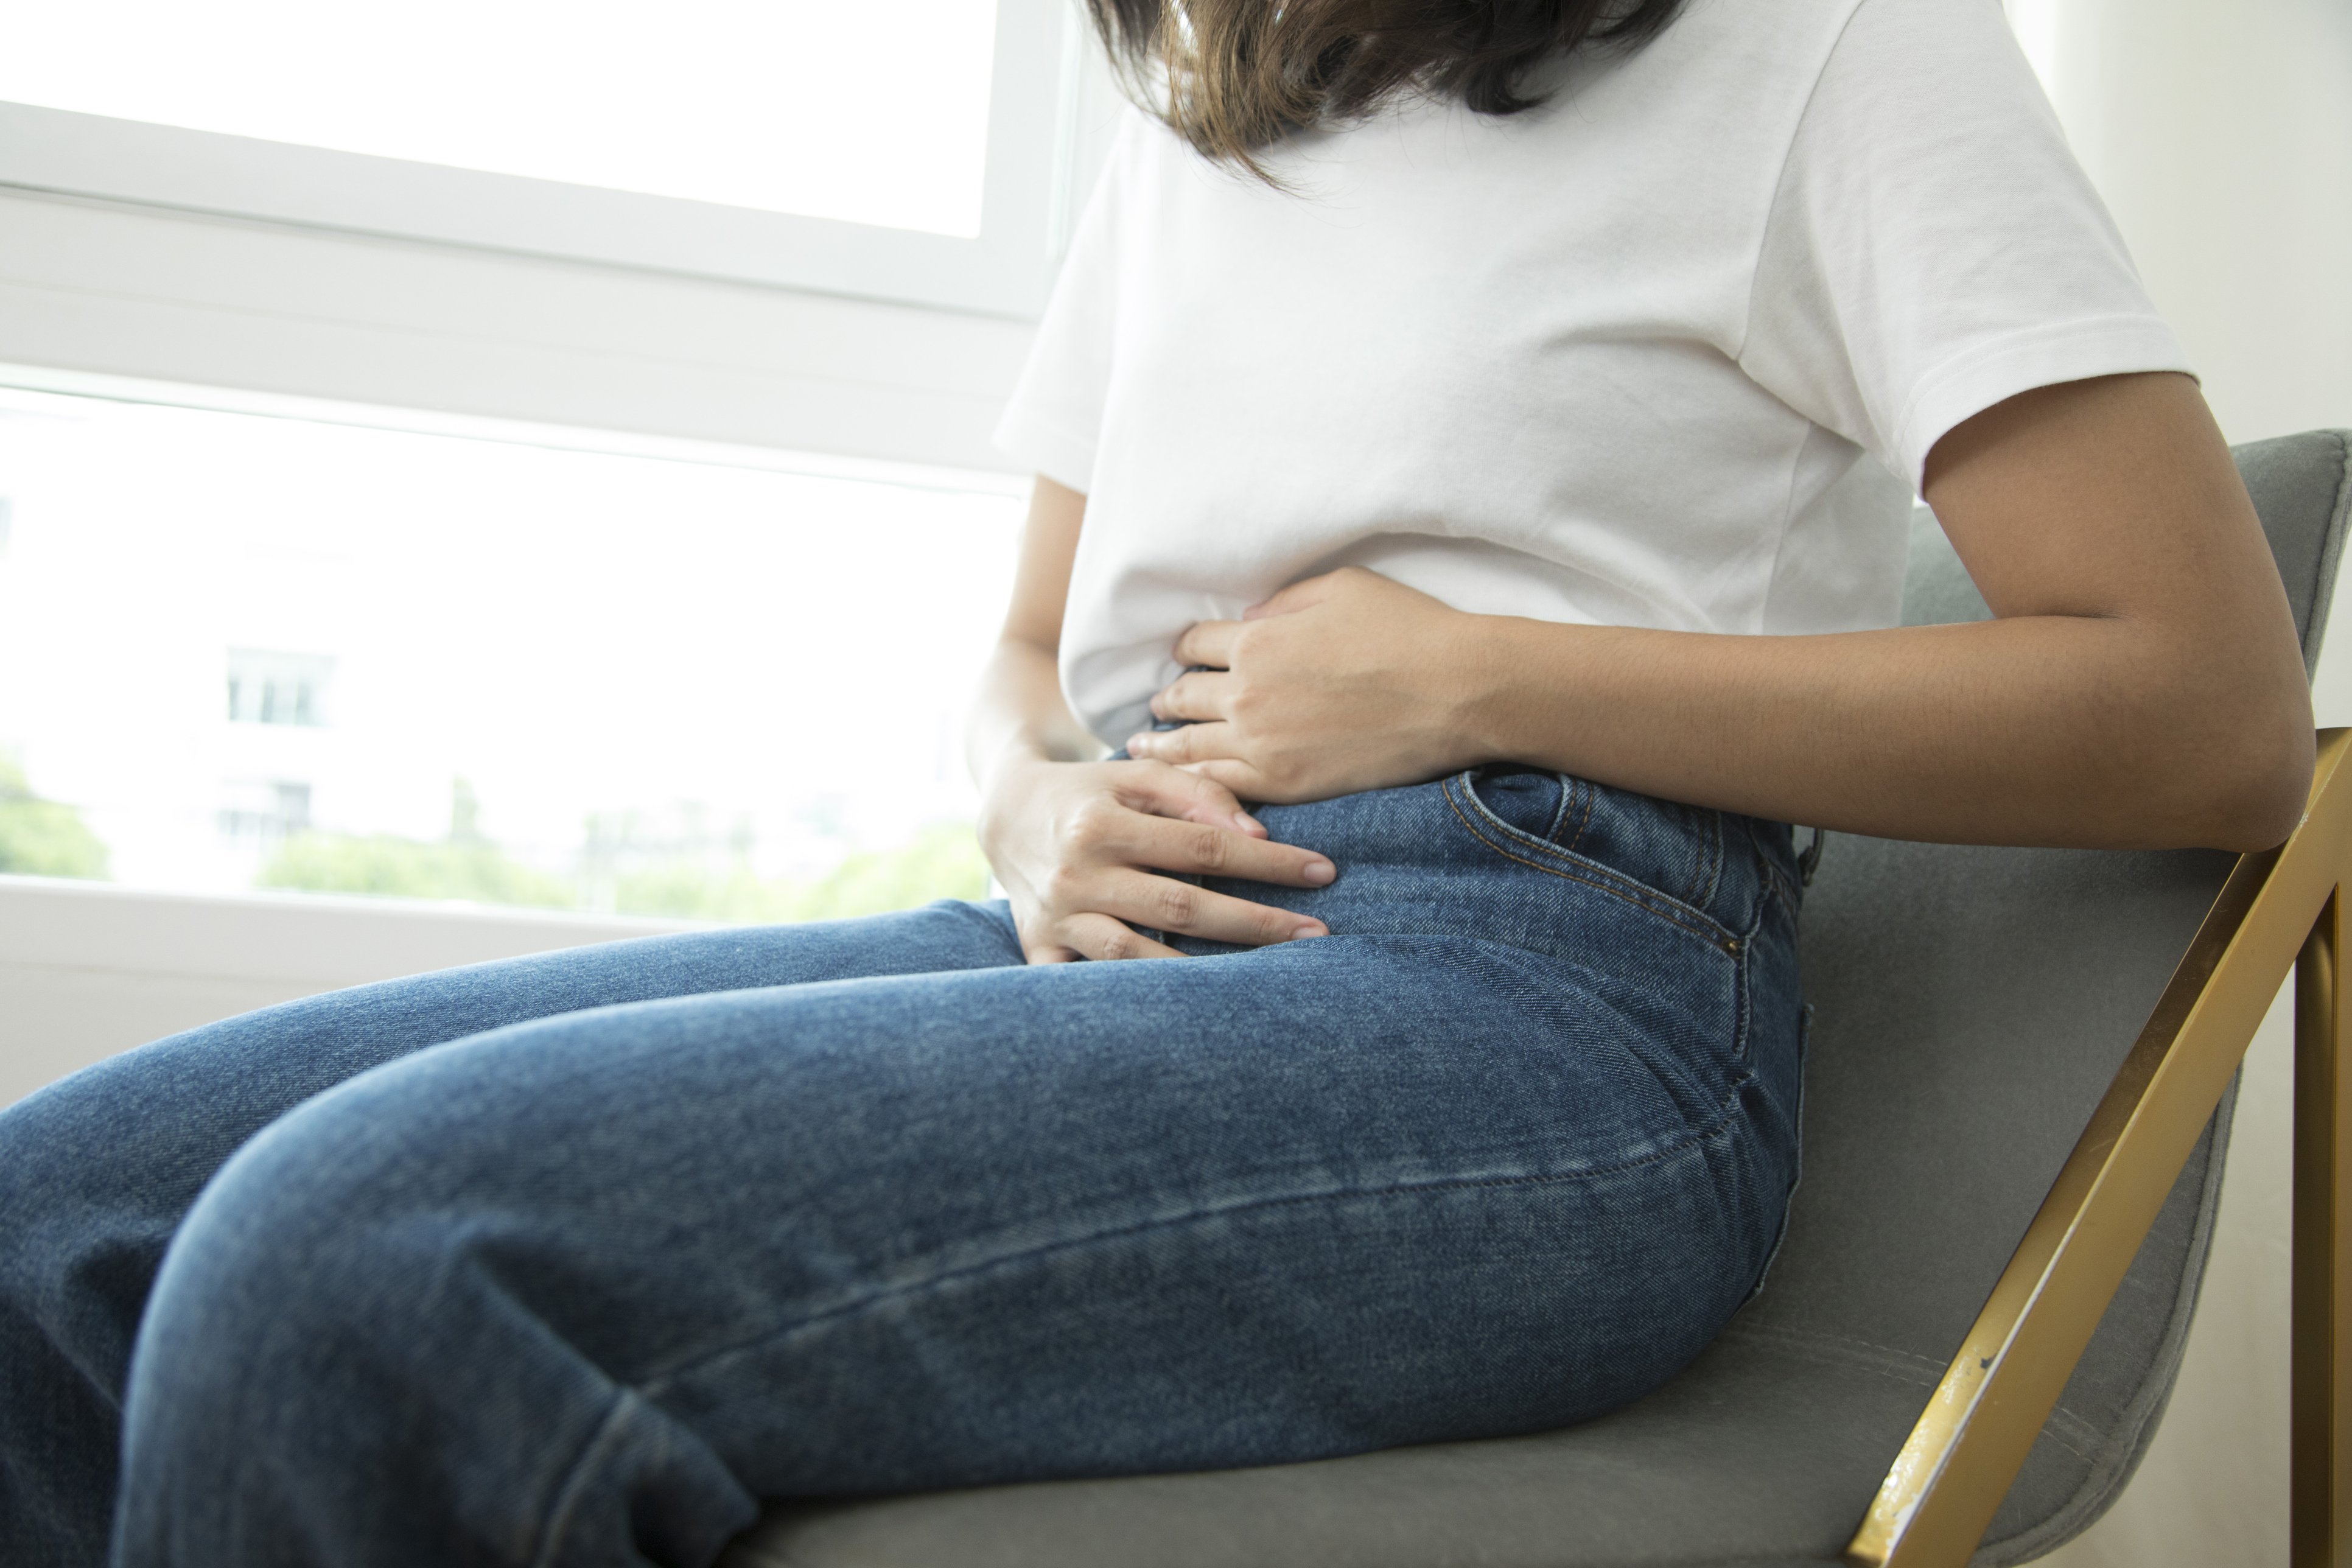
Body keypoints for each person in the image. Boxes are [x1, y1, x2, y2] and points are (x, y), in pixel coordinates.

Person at [0, 0, 2315, 1563]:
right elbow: (1029, 658)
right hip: (1100, 935)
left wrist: (1487, 675)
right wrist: (1031, 813)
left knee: (366, 1264)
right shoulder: (1221, 106)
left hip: (1545, 1007)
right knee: (52, 1210)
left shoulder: (1828, 41)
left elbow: (2196, 710)